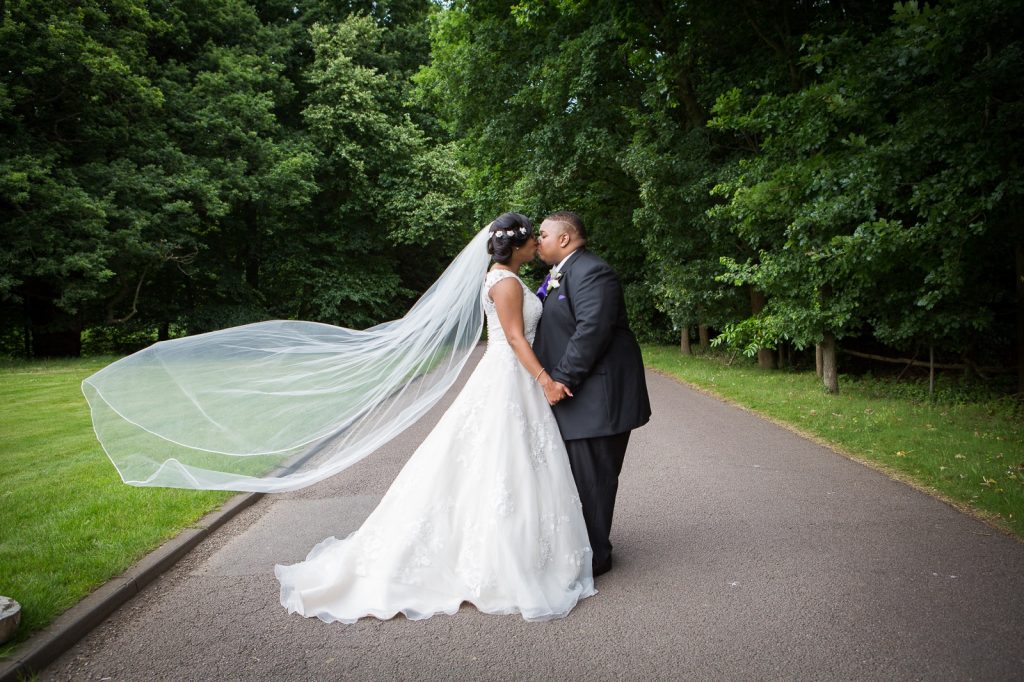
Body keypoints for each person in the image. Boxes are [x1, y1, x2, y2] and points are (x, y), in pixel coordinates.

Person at [274, 212, 596, 623]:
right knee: (502, 460)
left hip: (510, 377)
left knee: (502, 462)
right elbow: (515, 337)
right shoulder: (507, 282)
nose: (537, 243)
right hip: (510, 376)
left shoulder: (502, 277)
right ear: (515, 246)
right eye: (532, 238)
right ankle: (502, 557)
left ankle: (516, 544)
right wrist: (545, 379)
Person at [532, 210, 652, 577]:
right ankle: (581, 547)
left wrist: (561, 379)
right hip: (581, 396)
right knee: (578, 476)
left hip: (596, 395)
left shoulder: (593, 272)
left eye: (543, 235)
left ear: (565, 238)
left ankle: (595, 558)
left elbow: (592, 330)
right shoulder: (564, 273)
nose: (538, 241)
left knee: (595, 479)